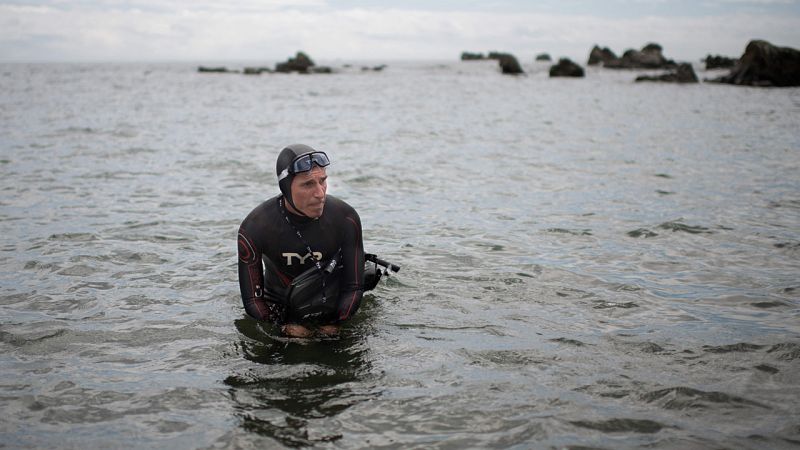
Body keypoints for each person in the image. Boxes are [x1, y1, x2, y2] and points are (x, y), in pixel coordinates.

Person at [237, 144, 365, 338]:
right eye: (307, 184)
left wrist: (335, 322)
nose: (320, 193)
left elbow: (354, 287)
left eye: (322, 181)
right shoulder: (257, 226)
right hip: (280, 305)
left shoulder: (345, 218)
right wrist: (280, 326)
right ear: (286, 187)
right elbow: (253, 300)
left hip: (331, 303)